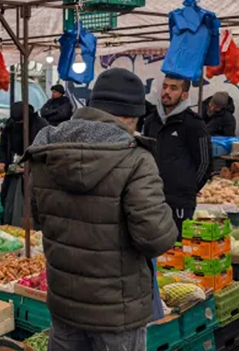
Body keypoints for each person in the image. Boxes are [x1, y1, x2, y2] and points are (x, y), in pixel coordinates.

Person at [27, 68, 178, 351]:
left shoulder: (49, 148)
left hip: (64, 302)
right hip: (116, 312)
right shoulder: (135, 158)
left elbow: (38, 218)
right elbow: (156, 237)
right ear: (131, 116)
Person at [144, 76, 212, 236]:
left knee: (176, 250)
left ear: (184, 94)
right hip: (150, 199)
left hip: (180, 203)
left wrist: (187, 189)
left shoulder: (194, 124)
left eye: (173, 88)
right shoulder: (150, 121)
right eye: (165, 86)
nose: (166, 92)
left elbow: (205, 162)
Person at [0, 102, 47, 226]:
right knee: (10, 203)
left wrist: (30, 166)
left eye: (21, 122)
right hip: (13, 173)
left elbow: (45, 152)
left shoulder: (41, 126)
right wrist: (2, 161)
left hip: (34, 177)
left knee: (31, 205)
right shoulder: (10, 125)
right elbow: (3, 146)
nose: (18, 125)